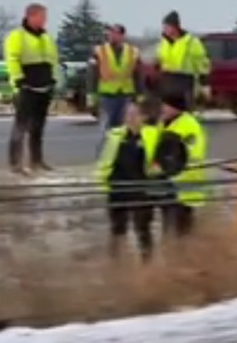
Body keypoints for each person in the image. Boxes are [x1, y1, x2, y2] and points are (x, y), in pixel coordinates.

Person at [95, 100, 160, 261]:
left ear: (144, 117)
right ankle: (115, 262)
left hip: (141, 190)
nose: (129, 118)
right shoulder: (115, 135)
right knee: (117, 229)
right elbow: (104, 161)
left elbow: (161, 161)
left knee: (143, 228)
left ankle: (147, 262)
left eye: (134, 114)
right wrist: (104, 184)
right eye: (127, 114)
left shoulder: (153, 135)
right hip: (117, 188)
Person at [3, 3, 59, 175]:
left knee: (38, 127)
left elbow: (54, 59)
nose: (45, 21)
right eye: (42, 17)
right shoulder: (17, 36)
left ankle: (36, 160)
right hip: (27, 87)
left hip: (44, 87)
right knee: (21, 126)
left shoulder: (46, 37)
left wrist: (54, 79)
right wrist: (18, 79)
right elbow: (12, 58)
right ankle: (16, 163)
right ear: (31, 16)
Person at [152, 91, 209, 238]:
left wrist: (171, 166)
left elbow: (192, 154)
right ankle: (171, 253)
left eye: (165, 105)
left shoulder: (189, 125)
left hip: (184, 184)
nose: (162, 108)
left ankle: (183, 254)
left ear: (175, 108)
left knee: (182, 228)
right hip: (168, 182)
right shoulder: (164, 122)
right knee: (168, 225)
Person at [87, 23, 142, 133]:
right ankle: (106, 149)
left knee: (124, 129)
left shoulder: (133, 52)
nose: (111, 36)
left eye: (115, 33)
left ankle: (120, 150)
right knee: (106, 129)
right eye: (110, 33)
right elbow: (93, 75)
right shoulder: (99, 51)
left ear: (122, 36)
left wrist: (140, 96)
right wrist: (91, 97)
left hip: (126, 95)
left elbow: (138, 75)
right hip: (106, 95)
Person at [153, 11, 210, 114]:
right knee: (168, 113)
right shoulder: (164, 43)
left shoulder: (191, 42)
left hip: (184, 81)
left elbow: (202, 63)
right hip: (168, 81)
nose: (164, 30)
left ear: (174, 27)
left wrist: (204, 82)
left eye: (166, 27)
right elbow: (159, 59)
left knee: (184, 113)